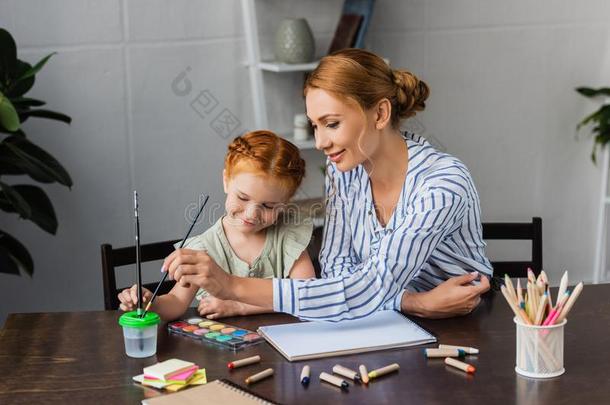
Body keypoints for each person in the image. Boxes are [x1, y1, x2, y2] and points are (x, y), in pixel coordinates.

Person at [161, 48, 492, 322]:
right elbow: (336, 270)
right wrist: (414, 302)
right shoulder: (345, 170)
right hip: (378, 321)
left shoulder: (442, 184)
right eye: (314, 126)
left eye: (331, 124)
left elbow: (369, 287)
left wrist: (232, 286)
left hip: (460, 328)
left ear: (380, 114)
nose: (320, 142)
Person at [118, 130, 316, 320]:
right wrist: (149, 303)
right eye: (242, 197)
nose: (251, 214)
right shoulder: (203, 248)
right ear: (226, 181)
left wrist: (240, 306)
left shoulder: (288, 234)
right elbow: (176, 302)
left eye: (269, 206)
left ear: (286, 202)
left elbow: (306, 295)